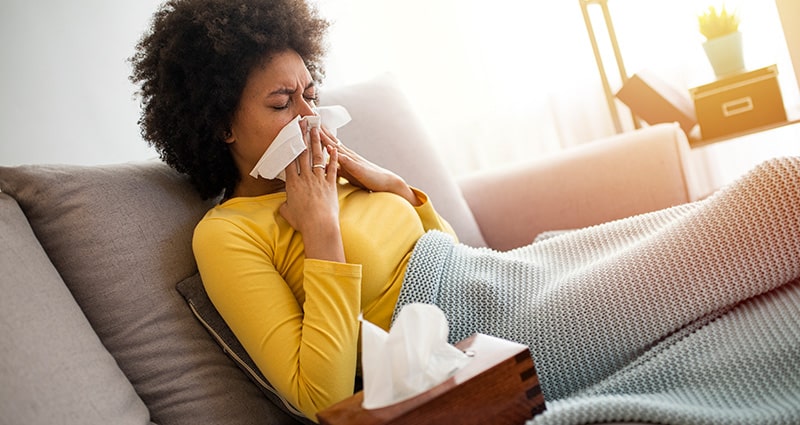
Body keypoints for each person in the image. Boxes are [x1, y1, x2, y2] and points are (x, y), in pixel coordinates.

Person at [130, 1, 800, 424]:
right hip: (476, 332)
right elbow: (318, 393)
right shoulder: (227, 235)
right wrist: (322, 232)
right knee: (776, 195)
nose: (309, 117)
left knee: (773, 249)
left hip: (509, 273)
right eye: (283, 102)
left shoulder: (341, 172)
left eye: (311, 92)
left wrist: (391, 184)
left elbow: (444, 246)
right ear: (221, 121)